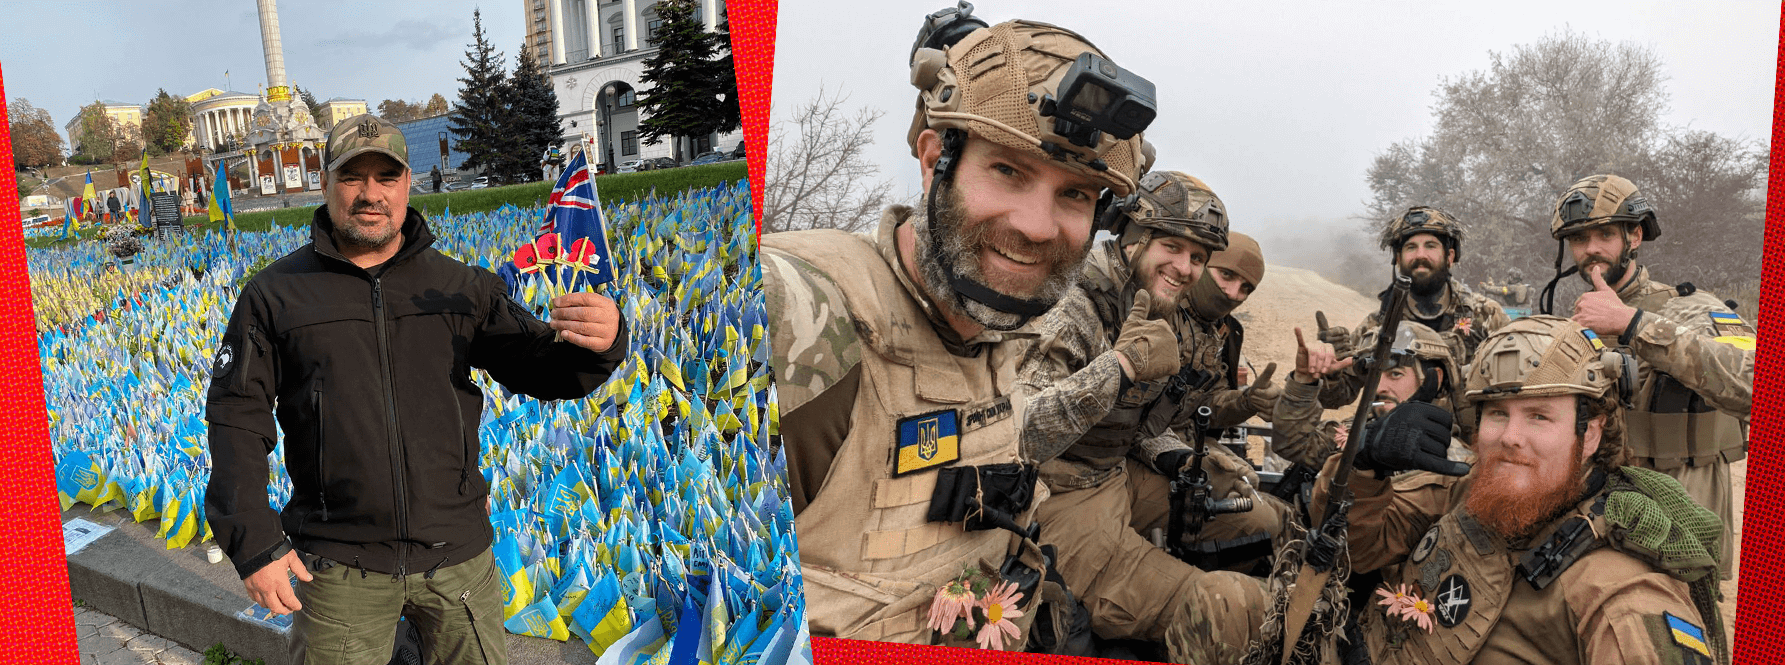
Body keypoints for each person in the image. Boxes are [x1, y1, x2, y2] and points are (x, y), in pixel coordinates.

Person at [762, 6, 1177, 652]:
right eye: (1007, 170)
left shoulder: (1012, 327)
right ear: (933, 160)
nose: (1038, 225)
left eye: (1074, 195)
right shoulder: (806, 317)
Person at [204, 113, 628, 665]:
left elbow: (540, 368)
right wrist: (254, 541)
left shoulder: (459, 287)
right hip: (340, 566)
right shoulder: (275, 297)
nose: (370, 193)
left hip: (458, 562)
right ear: (326, 185)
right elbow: (238, 417)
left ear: (408, 185)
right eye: (353, 177)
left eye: (387, 177)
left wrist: (601, 343)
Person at [1316, 315, 1727, 664]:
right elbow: (1354, 546)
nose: (1510, 437)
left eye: (1538, 416)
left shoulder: (1620, 591)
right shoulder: (1469, 489)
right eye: (1497, 413)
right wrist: (1364, 465)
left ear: (1590, 435)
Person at [1015, 172, 1272, 660]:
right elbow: (1021, 435)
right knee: (1232, 610)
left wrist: (1181, 458)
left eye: (1198, 257)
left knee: (1261, 515)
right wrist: (1123, 366)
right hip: (1058, 498)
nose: (1185, 267)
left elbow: (1140, 426)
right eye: (1172, 247)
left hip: (1117, 477)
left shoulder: (1156, 305)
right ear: (1133, 239)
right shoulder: (1069, 303)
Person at [1541, 173, 1753, 578]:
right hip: (1601, 507)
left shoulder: (1692, 309)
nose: (1590, 249)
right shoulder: (1577, 321)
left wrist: (1633, 324)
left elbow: (1757, 384)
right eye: (1578, 240)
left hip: (1682, 507)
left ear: (1634, 237)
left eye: (1603, 233)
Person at [1314, 206, 1510, 409]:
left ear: (1450, 256)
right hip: (1396, 435)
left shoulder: (1485, 315)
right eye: (1411, 247)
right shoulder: (1379, 324)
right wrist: (1331, 371)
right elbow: (1335, 398)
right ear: (1398, 259)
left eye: (1431, 246)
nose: (1420, 255)